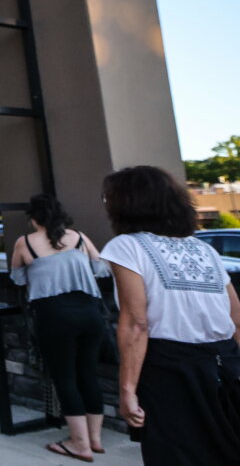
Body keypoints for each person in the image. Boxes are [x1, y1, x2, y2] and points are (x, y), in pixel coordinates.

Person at [98, 166, 240, 465]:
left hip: (170, 370)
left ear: (127, 203)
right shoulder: (205, 250)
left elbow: (136, 323)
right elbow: (236, 318)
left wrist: (127, 391)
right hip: (225, 365)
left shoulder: (126, 246)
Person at [9, 195, 109, 462]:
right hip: (90, 312)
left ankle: (79, 444)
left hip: (54, 316)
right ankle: (95, 439)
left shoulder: (25, 242)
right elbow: (101, 268)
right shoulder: (79, 238)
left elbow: (17, 278)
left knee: (65, 378)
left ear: (33, 218)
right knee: (88, 373)